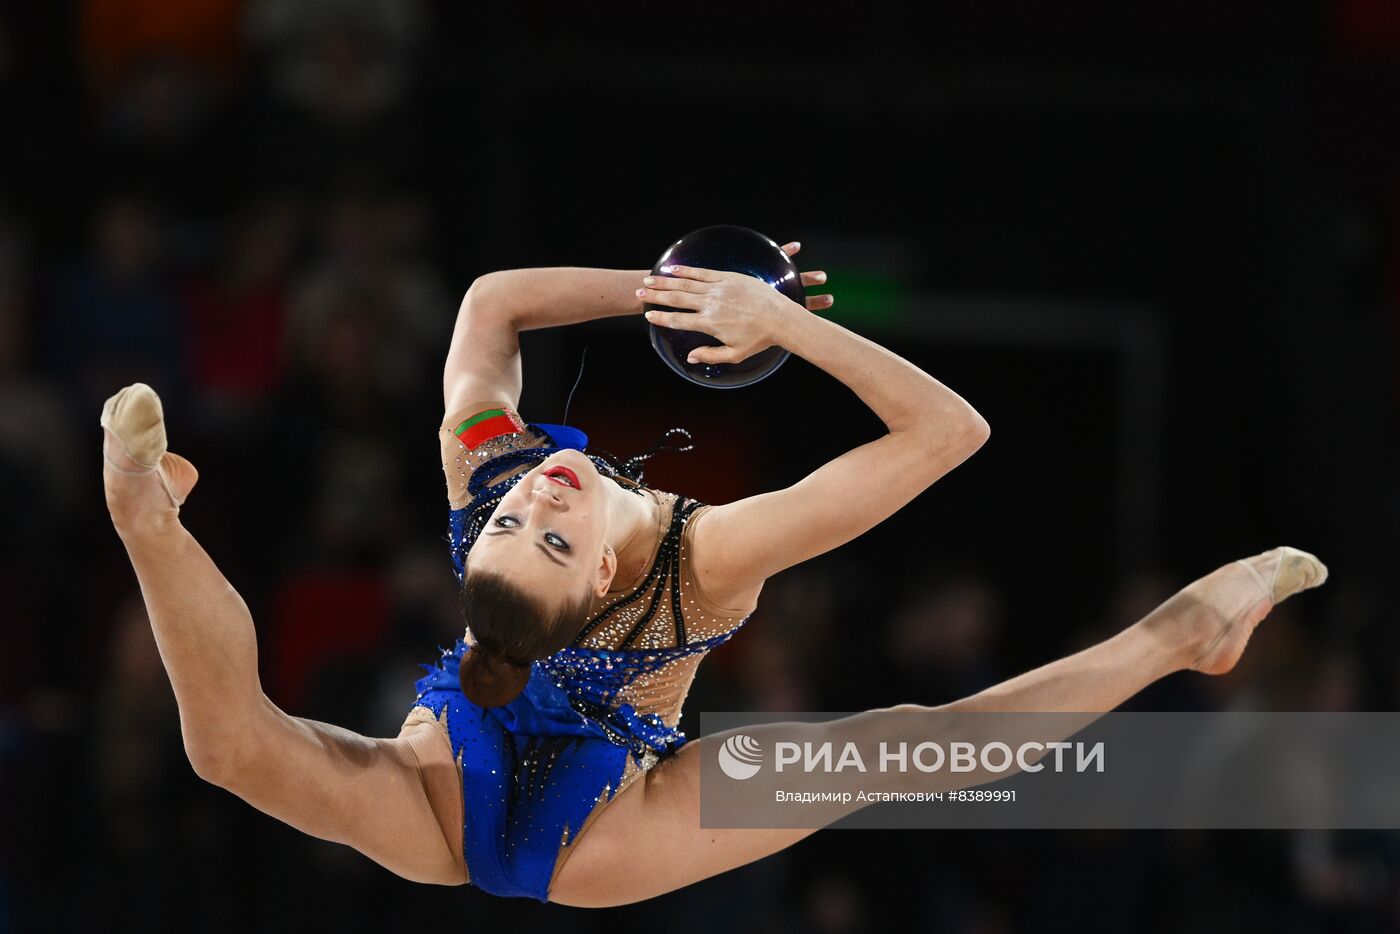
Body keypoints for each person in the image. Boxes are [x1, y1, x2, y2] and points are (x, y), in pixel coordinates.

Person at [99, 242, 1328, 908]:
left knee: (914, 740)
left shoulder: (496, 474)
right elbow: (949, 435)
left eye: (523, 519)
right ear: (589, 593)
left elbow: (489, 307)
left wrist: (682, 292)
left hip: (524, 791)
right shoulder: (694, 560)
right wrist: (783, 326)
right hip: (581, 834)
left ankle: (1183, 631)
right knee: (226, 749)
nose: (541, 500)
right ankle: (149, 517)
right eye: (549, 535)